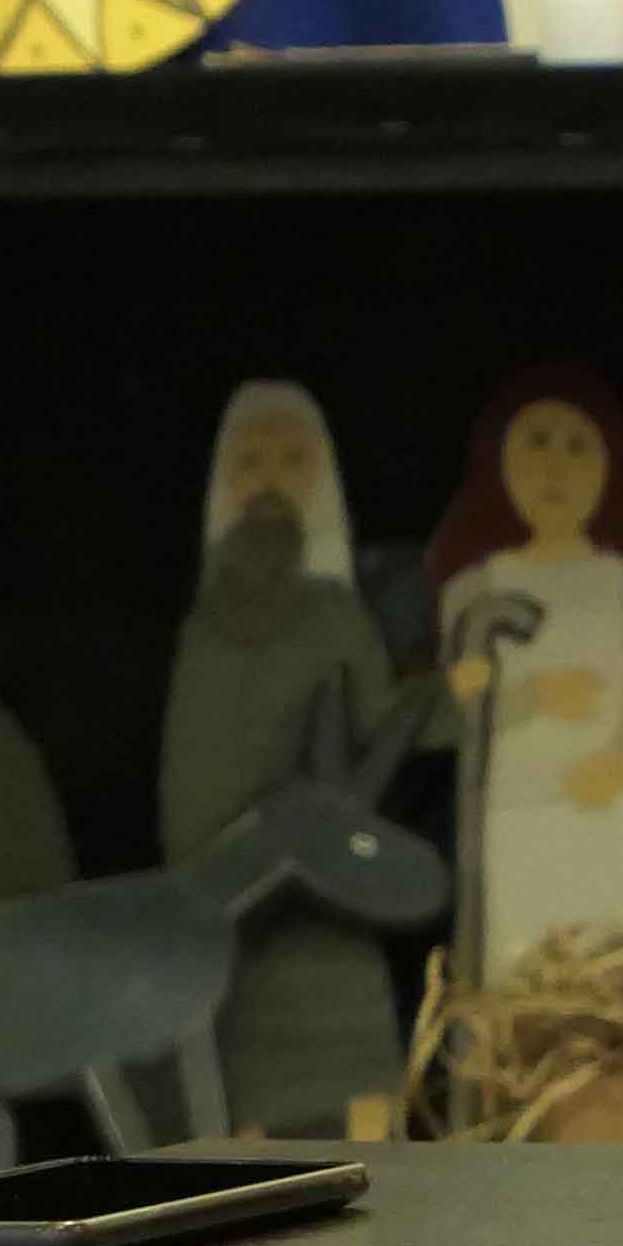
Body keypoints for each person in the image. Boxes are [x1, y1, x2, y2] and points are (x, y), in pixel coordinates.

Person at [156, 379, 411, 1131]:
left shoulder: (335, 613)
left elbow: (377, 722)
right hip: (229, 893)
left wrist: (440, 701)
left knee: (355, 1065)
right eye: (252, 462)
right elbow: (186, 763)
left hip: (324, 883)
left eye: (293, 461)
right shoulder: (204, 625)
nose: (270, 480)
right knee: (247, 1085)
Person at [425, 367, 623, 977]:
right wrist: (527, 696)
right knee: (527, 968)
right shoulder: (472, 591)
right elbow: (456, 707)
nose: (555, 468)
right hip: (521, 813)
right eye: (537, 444)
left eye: (577, 447)